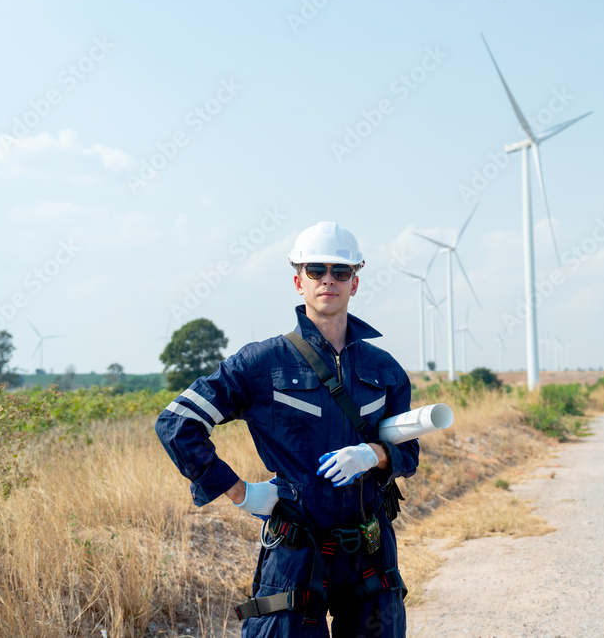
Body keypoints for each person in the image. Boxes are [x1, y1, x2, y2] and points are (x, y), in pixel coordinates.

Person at [155, 221, 418, 637]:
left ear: (355, 283)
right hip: (296, 553)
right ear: (299, 281)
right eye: (316, 270)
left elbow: (409, 452)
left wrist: (375, 454)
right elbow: (177, 422)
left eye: (341, 271)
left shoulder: (385, 369)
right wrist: (241, 493)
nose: (328, 280)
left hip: (370, 554)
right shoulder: (261, 363)